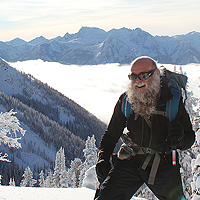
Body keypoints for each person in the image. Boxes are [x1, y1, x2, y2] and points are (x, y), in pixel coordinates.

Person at [94, 56, 195, 200]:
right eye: (133, 76)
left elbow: (190, 138)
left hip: (163, 162)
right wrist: (102, 158)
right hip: (131, 158)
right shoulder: (127, 100)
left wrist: (179, 139)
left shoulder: (172, 100)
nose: (137, 81)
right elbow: (111, 135)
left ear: (157, 74)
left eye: (143, 75)